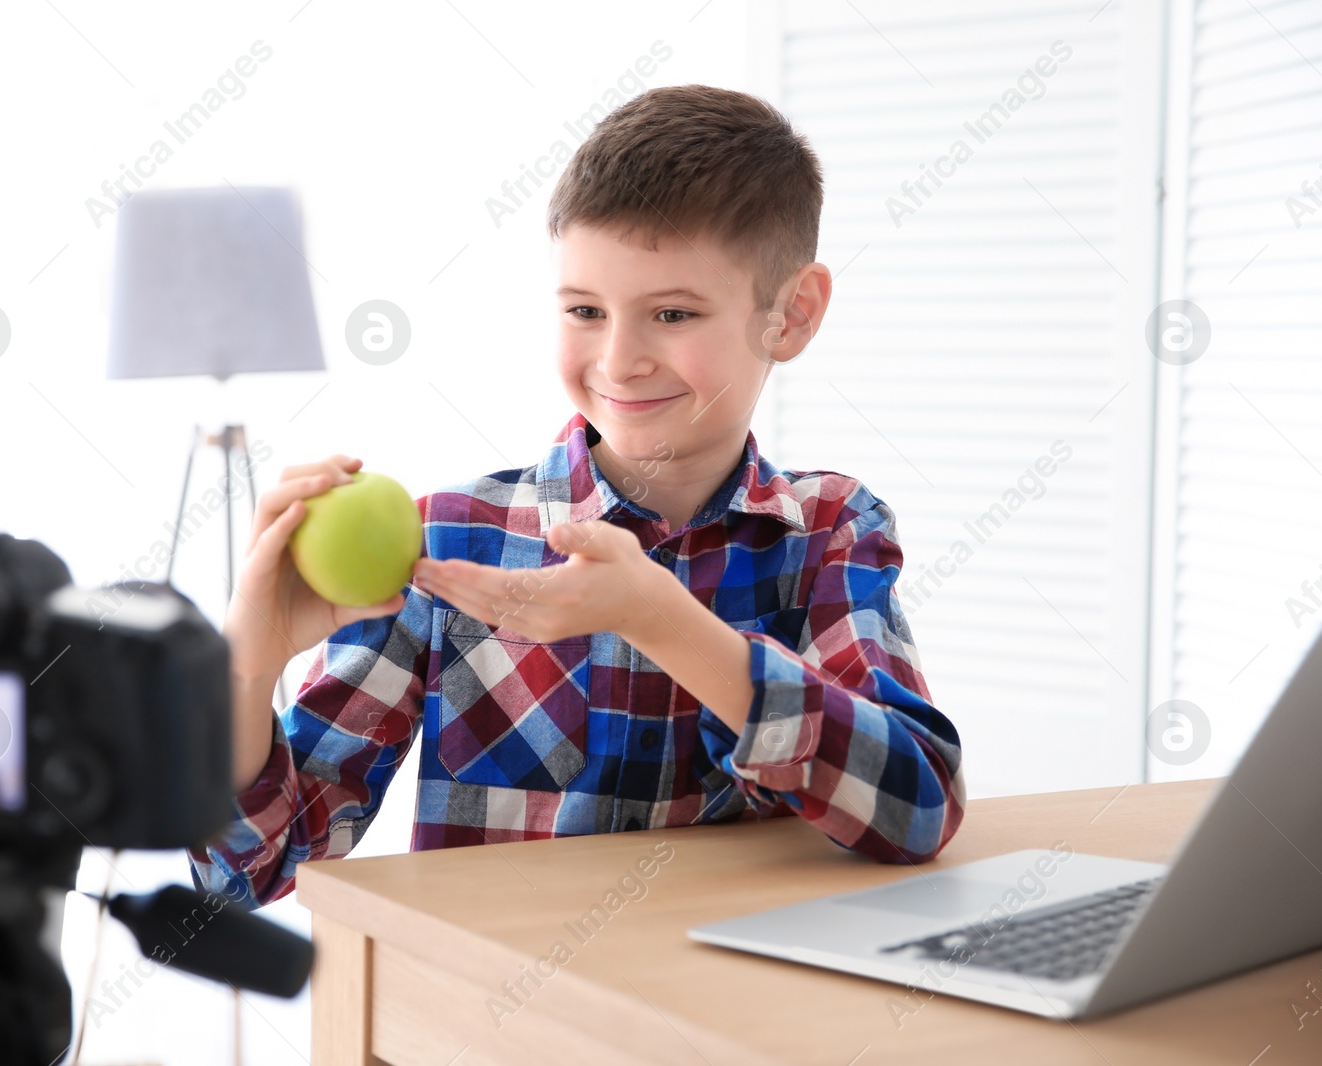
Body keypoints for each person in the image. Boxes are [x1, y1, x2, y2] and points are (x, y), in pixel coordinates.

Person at [189, 85, 965, 908]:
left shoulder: (828, 533)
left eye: (672, 312)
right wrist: (249, 664)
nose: (619, 359)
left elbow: (916, 811)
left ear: (792, 314)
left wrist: (658, 618)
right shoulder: (449, 538)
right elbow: (246, 872)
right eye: (586, 311)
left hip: (708, 1023)